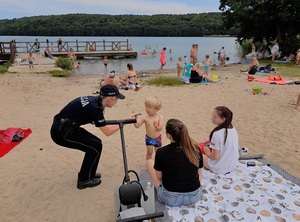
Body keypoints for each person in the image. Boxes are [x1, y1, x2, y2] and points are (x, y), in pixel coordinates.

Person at [50, 85, 127, 189]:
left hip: (67, 127)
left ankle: (89, 173)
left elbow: (91, 116)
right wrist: (123, 123)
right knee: (94, 147)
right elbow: (107, 132)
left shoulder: (94, 100)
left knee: (97, 143)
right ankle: (83, 180)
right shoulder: (95, 108)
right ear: (109, 99)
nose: (116, 102)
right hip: (61, 134)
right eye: (116, 99)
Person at [146, 119, 203, 207]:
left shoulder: (162, 152)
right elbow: (199, 172)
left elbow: (159, 177)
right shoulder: (195, 148)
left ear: (169, 136)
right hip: (194, 196)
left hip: (171, 198)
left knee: (149, 162)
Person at [202, 106, 239, 174]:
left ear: (223, 119)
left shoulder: (217, 134)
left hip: (220, 168)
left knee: (198, 155)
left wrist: (207, 152)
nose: (212, 118)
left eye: (215, 117)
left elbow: (215, 157)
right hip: (233, 164)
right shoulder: (233, 129)